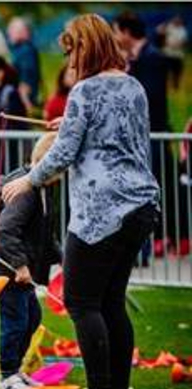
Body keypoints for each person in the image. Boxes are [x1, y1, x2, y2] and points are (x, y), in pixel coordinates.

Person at [2, 14, 160, 389]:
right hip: (140, 205)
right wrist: (71, 123)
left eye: (72, 51)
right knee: (111, 303)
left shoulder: (86, 91)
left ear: (85, 47)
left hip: (101, 210)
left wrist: (30, 181)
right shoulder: (133, 85)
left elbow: (64, 152)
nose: (70, 61)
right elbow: (118, 137)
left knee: (82, 301)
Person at [0, 132, 62, 389]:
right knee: (16, 319)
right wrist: (21, 266)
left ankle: (15, 371)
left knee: (32, 317)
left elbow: (45, 234)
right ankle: (6, 377)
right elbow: (6, 229)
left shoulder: (45, 189)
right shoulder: (27, 193)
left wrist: (64, 259)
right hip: (6, 266)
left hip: (18, 265)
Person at [113, 12, 177, 257]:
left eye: (117, 31)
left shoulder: (152, 58)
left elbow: (149, 97)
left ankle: (167, 235)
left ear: (127, 32)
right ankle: (154, 237)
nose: (116, 37)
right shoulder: (136, 59)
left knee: (160, 185)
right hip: (139, 138)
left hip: (155, 133)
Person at [7, 17, 42, 111]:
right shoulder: (20, 49)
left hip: (21, 99)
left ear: (25, 32)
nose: (9, 32)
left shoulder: (25, 50)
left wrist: (26, 101)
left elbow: (27, 77)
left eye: (12, 29)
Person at [158, 15, 187, 90]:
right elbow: (159, 30)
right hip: (167, 54)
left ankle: (176, 88)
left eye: (179, 19)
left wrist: (172, 44)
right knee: (165, 73)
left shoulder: (182, 30)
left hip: (177, 56)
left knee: (176, 73)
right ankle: (165, 87)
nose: (177, 20)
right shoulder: (169, 27)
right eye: (175, 19)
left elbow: (182, 43)